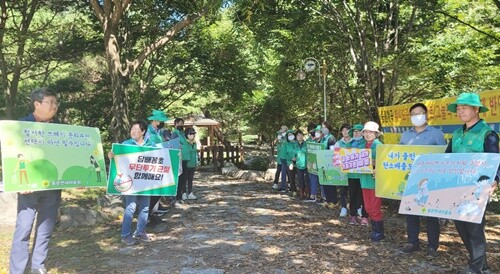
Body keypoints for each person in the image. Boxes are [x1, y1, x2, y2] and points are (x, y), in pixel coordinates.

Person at [10, 88, 62, 274]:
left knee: (45, 228)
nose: (54, 106)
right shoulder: (20, 126)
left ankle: (38, 265)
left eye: (56, 103)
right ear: (37, 104)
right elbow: (12, 154)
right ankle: (17, 270)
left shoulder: (60, 129)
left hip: (52, 187)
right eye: (50, 102)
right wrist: (17, 182)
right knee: (23, 228)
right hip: (27, 187)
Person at [446, 92, 498, 273]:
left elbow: (495, 160)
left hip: (477, 188)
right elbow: (446, 158)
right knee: (461, 227)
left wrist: (495, 181)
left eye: (464, 107)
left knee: (475, 229)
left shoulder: (487, 133)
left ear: (476, 109)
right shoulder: (457, 133)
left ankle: (475, 268)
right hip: (456, 188)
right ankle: (482, 265)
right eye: (458, 108)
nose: (460, 111)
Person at [400, 103, 446, 257]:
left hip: (430, 181)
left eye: (419, 113)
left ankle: (432, 246)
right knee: (410, 212)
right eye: (413, 114)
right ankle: (413, 242)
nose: (416, 116)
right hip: (410, 179)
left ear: (426, 115)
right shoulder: (405, 135)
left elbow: (444, 156)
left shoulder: (436, 134)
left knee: (430, 214)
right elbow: (399, 156)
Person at [108, 120, 156, 246]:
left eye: (136, 129)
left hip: (145, 182)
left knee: (145, 208)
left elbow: (162, 158)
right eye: (132, 129)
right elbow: (117, 157)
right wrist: (111, 156)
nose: (133, 131)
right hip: (130, 183)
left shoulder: (151, 145)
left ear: (143, 131)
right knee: (131, 207)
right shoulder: (126, 144)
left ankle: (140, 232)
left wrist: (175, 155)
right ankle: (125, 235)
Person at [359, 121, 385, 241]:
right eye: (366, 132)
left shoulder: (379, 146)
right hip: (365, 180)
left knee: (374, 207)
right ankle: (375, 230)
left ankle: (379, 232)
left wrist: (375, 163)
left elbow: (384, 163)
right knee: (368, 207)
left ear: (376, 133)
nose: (368, 134)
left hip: (375, 181)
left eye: (371, 132)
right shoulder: (363, 146)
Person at [144, 110, 169, 221]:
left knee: (159, 187)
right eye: (160, 120)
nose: (161, 122)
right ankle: (148, 212)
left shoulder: (158, 131)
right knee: (152, 188)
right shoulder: (148, 131)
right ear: (154, 120)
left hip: (158, 159)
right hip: (149, 161)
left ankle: (154, 209)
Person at [347, 124, 369, 225]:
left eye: (359, 131)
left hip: (363, 174)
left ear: (363, 132)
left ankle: (365, 217)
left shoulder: (366, 143)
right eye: (354, 131)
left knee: (364, 196)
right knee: (352, 196)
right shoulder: (349, 143)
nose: (356, 133)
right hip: (352, 175)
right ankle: (353, 216)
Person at [332, 123, 351, 217]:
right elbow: (335, 157)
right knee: (343, 190)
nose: (345, 132)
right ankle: (343, 207)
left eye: (347, 130)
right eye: (343, 130)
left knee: (354, 191)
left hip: (353, 171)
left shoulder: (355, 142)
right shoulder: (338, 143)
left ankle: (356, 208)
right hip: (342, 170)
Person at [319, 121, 337, 207]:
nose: (323, 129)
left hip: (330, 163)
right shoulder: (322, 138)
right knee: (325, 181)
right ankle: (328, 200)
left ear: (329, 128)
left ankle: (334, 201)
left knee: (331, 182)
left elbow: (332, 151)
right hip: (323, 163)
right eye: (322, 127)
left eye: (325, 127)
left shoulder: (331, 138)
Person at [179, 127, 199, 200]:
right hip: (186, 163)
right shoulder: (184, 142)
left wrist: (197, 162)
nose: (192, 135)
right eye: (190, 134)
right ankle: (183, 193)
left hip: (192, 164)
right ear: (186, 134)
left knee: (190, 180)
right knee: (184, 180)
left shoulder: (194, 143)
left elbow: (195, 153)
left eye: (193, 134)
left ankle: (190, 193)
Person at [294, 130, 309, 199]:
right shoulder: (294, 144)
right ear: (296, 137)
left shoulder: (307, 144)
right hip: (299, 165)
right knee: (300, 179)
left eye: (301, 135)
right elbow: (292, 154)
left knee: (307, 179)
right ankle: (301, 193)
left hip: (307, 165)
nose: (300, 136)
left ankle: (307, 192)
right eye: (298, 135)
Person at [273, 126, 288, 190]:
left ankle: (289, 184)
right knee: (278, 170)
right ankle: (275, 183)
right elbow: (275, 142)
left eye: (283, 129)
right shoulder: (279, 134)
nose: (282, 129)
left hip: (286, 157)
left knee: (287, 172)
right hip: (280, 157)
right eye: (281, 128)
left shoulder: (287, 136)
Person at [283, 130, 297, 195]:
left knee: (300, 177)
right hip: (290, 163)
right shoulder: (286, 144)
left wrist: (296, 158)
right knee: (291, 177)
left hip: (298, 163)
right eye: (289, 135)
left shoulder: (297, 143)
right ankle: (293, 190)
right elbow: (284, 154)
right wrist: (291, 159)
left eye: (291, 134)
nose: (290, 136)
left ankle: (301, 190)